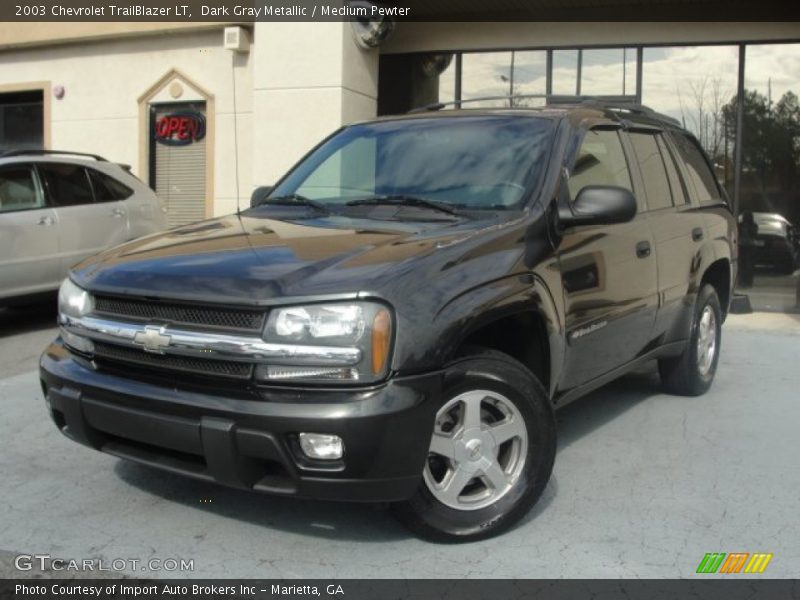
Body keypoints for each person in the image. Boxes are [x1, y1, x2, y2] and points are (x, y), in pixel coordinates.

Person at [738, 210, 758, 288]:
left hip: (750, 246)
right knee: (742, 264)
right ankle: (742, 281)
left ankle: (748, 282)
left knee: (749, 265)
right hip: (742, 245)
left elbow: (754, 235)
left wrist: (748, 229)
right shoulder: (740, 225)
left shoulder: (753, 225)